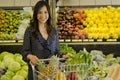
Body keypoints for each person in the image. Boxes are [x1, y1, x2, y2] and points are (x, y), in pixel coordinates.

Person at [22, 1, 70, 80]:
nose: (43, 15)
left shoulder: (53, 31)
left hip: (52, 74)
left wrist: (64, 56)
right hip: (36, 74)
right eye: (40, 12)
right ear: (36, 14)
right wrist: (30, 56)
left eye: (45, 12)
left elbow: (57, 52)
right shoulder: (30, 31)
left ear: (49, 14)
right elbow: (24, 52)